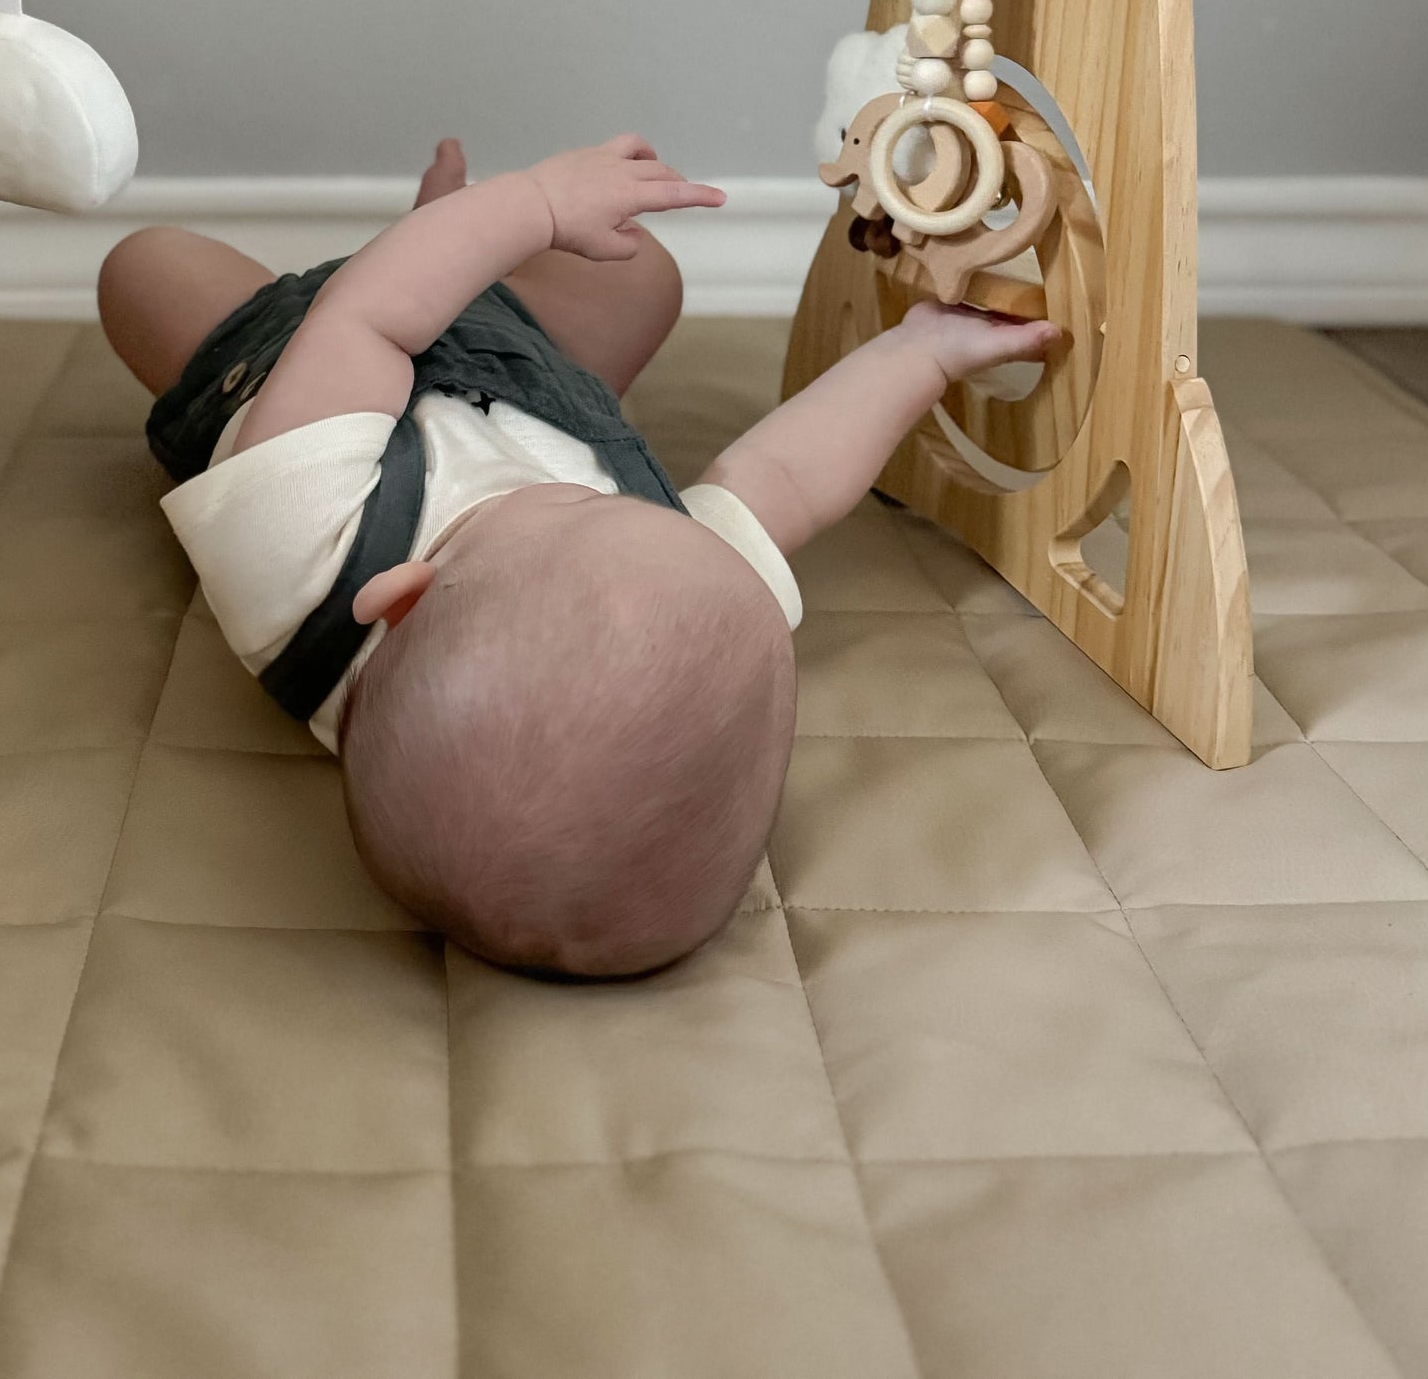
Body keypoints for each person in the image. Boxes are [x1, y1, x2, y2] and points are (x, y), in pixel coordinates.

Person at [99, 134, 1054, 977]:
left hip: (291, 361)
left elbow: (369, 318)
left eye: (576, 506)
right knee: (645, 276)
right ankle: (452, 247)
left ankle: (442, 239)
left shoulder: (303, 542)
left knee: (145, 268)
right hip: (520, 370)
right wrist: (919, 357)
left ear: (403, 596)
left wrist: (533, 205)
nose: (615, 496)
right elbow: (783, 480)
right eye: (637, 508)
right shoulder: (682, 590)